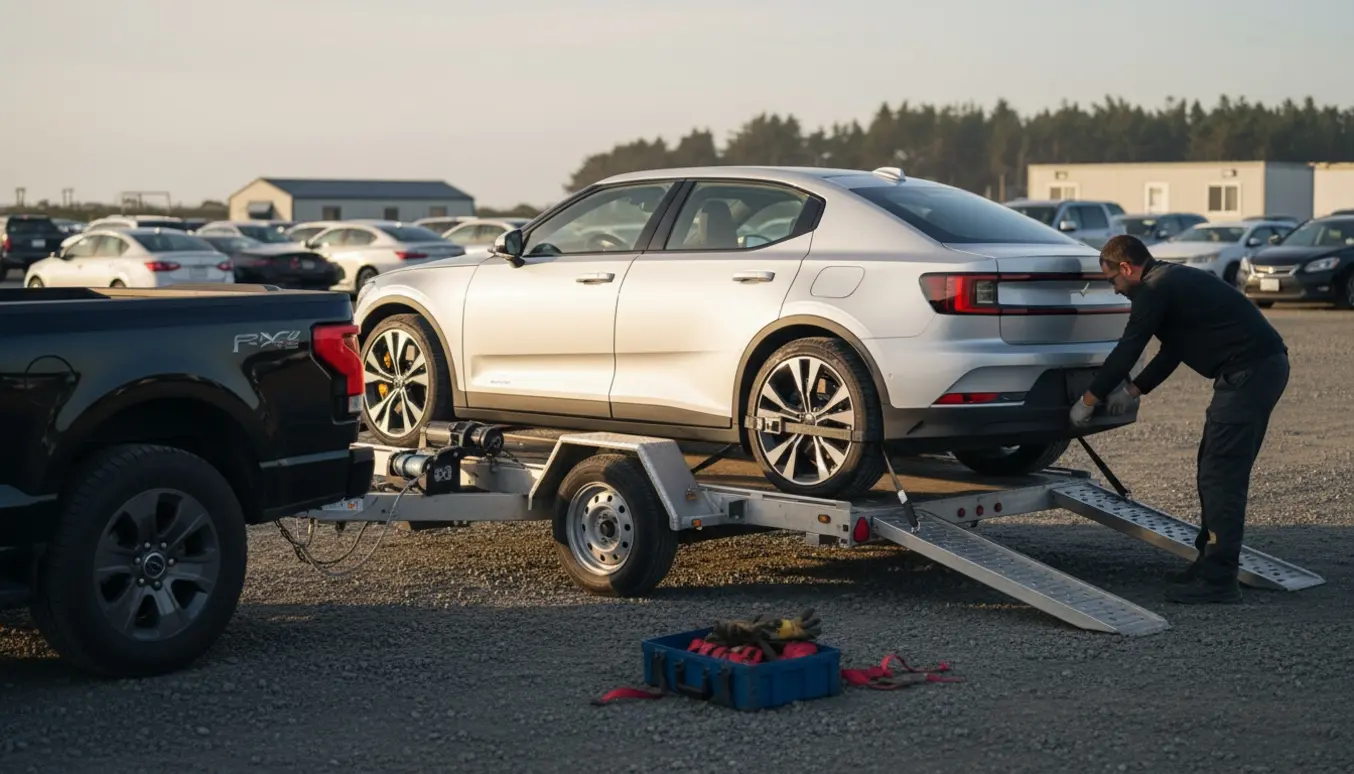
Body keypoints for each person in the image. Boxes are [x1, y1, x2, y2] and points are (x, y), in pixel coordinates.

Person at [1070, 235, 1290, 604]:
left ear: (1126, 268)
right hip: (1256, 370)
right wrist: (1134, 390)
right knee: (1211, 467)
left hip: (1250, 374)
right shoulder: (1170, 280)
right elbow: (1174, 349)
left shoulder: (1153, 290)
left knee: (1221, 475)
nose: (1115, 289)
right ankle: (1208, 562)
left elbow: (1128, 349)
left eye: (1112, 280)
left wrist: (1088, 400)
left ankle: (1219, 580)